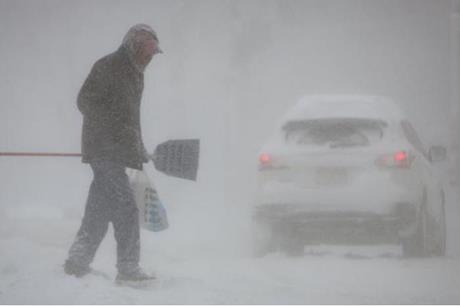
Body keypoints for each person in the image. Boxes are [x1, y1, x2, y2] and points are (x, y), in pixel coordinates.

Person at [64, 24, 162, 282]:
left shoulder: (135, 73)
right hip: (103, 150)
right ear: (134, 45)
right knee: (127, 208)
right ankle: (128, 269)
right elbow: (84, 100)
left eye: (152, 54)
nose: (149, 58)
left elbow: (130, 120)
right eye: (147, 52)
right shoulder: (109, 66)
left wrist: (137, 149)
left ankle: (77, 261)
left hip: (118, 152)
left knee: (99, 209)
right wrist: (113, 127)